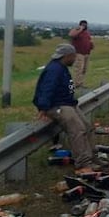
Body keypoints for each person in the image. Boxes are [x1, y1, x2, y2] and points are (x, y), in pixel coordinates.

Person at [33, 43, 98, 174]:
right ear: (67, 56)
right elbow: (47, 89)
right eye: (73, 56)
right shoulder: (54, 70)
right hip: (57, 106)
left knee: (87, 127)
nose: (74, 59)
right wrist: (43, 108)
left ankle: (92, 158)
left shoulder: (61, 67)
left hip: (67, 103)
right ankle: (82, 164)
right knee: (77, 130)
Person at [68, 20, 94, 88]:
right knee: (79, 68)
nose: (84, 26)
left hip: (86, 53)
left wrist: (91, 45)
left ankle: (81, 83)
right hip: (79, 53)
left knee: (84, 69)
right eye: (83, 25)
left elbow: (89, 40)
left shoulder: (87, 33)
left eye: (85, 25)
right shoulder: (76, 31)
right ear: (80, 25)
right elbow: (71, 34)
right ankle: (77, 84)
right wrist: (80, 29)